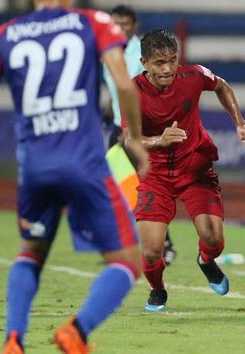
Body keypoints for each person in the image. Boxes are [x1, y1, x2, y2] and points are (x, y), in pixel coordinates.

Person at [0, 1, 149, 353]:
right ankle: (76, 332)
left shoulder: (5, 34)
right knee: (126, 261)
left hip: (34, 167)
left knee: (31, 252)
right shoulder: (93, 22)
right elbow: (124, 83)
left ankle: (13, 340)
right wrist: (134, 138)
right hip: (85, 165)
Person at [125, 29, 245, 312]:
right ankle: (157, 289)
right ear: (144, 63)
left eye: (172, 60)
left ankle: (206, 261)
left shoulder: (193, 75)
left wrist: (240, 123)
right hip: (156, 176)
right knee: (150, 250)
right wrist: (159, 140)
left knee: (213, 238)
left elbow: (221, 86)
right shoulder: (132, 91)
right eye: (159, 63)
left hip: (195, 169)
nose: (168, 69)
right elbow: (129, 139)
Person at [103, 4, 178, 266]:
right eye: (115, 24)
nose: (120, 29)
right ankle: (129, 245)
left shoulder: (141, 54)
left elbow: (145, 91)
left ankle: (164, 245)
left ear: (134, 26)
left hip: (141, 130)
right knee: (122, 188)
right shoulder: (107, 51)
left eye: (125, 24)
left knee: (147, 187)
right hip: (117, 127)